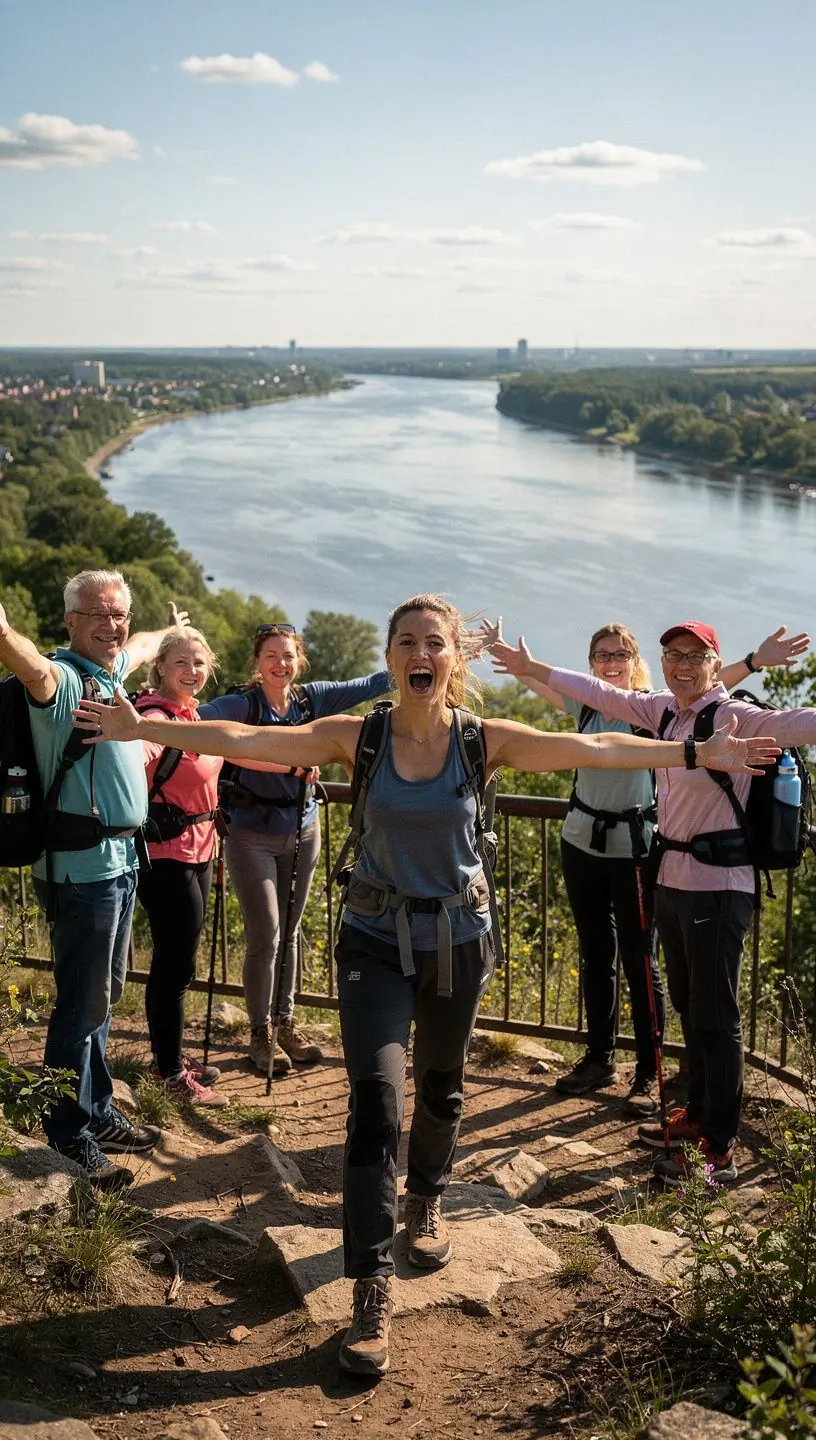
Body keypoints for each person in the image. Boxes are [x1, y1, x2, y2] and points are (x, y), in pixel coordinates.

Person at [74, 593, 778, 1370]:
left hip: (457, 942)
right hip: (373, 939)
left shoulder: (483, 740)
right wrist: (146, 726)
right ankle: (371, 1289)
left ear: (452, 660)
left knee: (442, 1090)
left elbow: (600, 750)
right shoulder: (360, 735)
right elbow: (245, 736)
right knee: (376, 1104)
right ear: (390, 655)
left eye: (434, 642)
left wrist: (691, 755)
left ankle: (427, 1198)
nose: (420, 653)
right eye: (406, 641)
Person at [487, 619, 815, 1186]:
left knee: (718, 1019)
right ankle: (702, 1115)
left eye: (694, 656)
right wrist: (531, 668)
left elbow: (801, 723)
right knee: (692, 1008)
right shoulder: (664, 713)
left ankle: (719, 1153)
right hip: (672, 880)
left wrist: (758, 666)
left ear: (715, 663)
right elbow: (599, 693)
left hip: (719, 886)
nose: (682, 665)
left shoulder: (734, 716)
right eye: (672, 655)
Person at [0, 571, 191, 1189]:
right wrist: (2, 631)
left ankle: (100, 1111)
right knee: (81, 1006)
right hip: (81, 874)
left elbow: (138, 648)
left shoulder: (111, 675)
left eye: (119, 615)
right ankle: (67, 1134)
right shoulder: (64, 683)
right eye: (98, 615)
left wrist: (173, 630)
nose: (112, 626)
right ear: (71, 622)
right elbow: (32, 670)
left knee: (101, 1001)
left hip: (119, 864)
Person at [200, 623, 390, 1077]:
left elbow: (373, 684)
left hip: (303, 828)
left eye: (287, 656)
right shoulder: (241, 705)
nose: (280, 664)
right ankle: (259, 1033)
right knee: (266, 934)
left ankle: (285, 1022)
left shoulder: (310, 700)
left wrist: (439, 653)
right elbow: (194, 718)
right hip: (249, 834)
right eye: (271, 656)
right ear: (257, 662)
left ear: (298, 660)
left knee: (290, 930)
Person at [134, 628, 229, 1108]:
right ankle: (169, 1072)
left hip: (202, 848)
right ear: (161, 669)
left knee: (180, 963)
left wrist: (298, 768)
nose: (191, 671)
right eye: (180, 664)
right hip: (167, 856)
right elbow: (141, 747)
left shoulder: (195, 717)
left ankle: (168, 1056)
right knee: (175, 965)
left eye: (198, 663)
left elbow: (244, 749)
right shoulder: (154, 716)